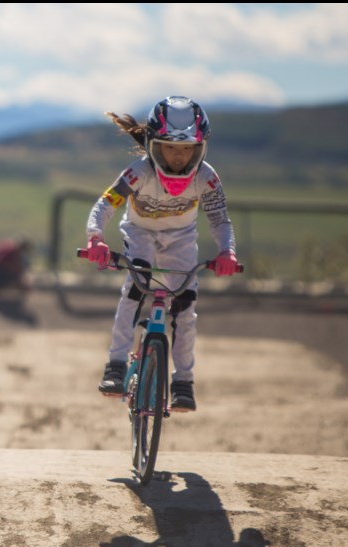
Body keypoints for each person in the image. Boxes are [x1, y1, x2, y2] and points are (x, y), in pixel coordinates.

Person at [84, 96, 239, 412]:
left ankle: (183, 381)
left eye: (187, 148)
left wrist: (227, 251)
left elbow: (220, 219)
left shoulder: (206, 177)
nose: (179, 156)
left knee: (185, 308)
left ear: (200, 148)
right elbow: (105, 205)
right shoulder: (138, 173)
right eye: (170, 147)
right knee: (135, 289)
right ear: (154, 144)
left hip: (181, 241)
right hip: (140, 235)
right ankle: (115, 365)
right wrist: (96, 238)